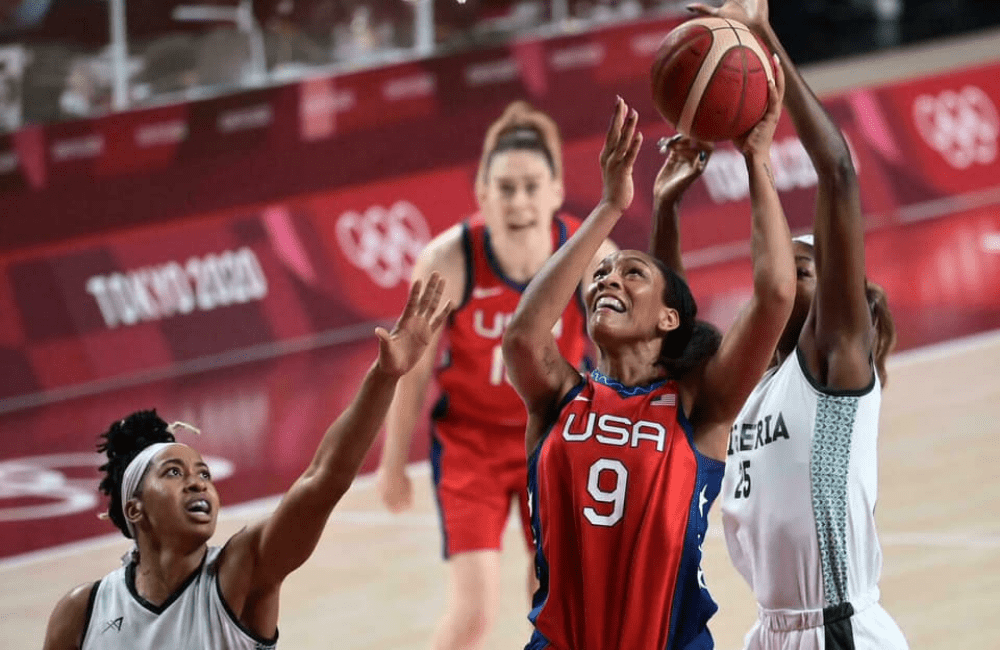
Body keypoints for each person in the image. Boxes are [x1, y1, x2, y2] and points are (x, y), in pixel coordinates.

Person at [501, 79, 795, 650]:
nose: (607, 279)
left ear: (666, 322)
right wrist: (612, 207)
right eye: (603, 277)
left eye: (629, 274)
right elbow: (521, 338)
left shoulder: (698, 407)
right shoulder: (561, 397)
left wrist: (758, 160)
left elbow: (776, 293)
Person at [653, 1, 907, 647]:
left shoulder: (833, 365)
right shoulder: (746, 387)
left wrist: (765, 37)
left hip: (839, 629)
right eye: (783, 261)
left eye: (806, 268)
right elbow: (669, 332)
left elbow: (839, 176)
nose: (788, 275)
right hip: (767, 632)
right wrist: (667, 209)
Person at [42, 274, 452, 650]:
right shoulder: (82, 613)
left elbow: (323, 479)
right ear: (136, 508)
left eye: (203, 473)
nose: (199, 483)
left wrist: (384, 376)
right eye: (174, 472)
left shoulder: (240, 574)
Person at [375, 101, 614, 650]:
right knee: (473, 615)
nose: (519, 201)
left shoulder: (591, 253)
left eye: (532, 187)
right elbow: (410, 372)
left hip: (554, 441)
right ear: (482, 194)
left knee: (555, 603)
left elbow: (622, 361)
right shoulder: (447, 260)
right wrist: (392, 464)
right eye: (505, 188)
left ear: (556, 191)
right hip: (470, 446)